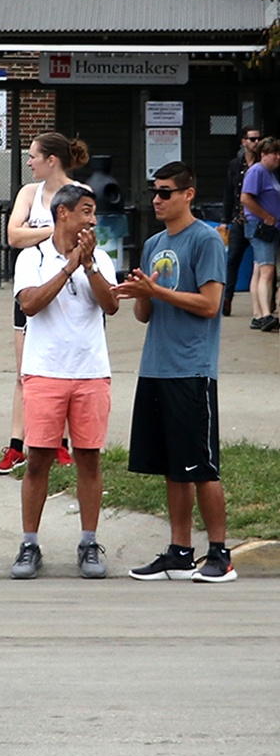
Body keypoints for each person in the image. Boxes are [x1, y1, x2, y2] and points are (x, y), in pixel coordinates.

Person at [117, 162, 236, 584]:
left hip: (192, 368)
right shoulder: (152, 243)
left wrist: (157, 291)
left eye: (166, 192)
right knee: (173, 466)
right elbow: (145, 313)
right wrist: (140, 294)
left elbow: (209, 305)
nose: (157, 200)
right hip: (156, 367)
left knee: (201, 466)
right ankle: (180, 550)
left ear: (188, 193)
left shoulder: (206, 240)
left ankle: (220, 554)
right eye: (155, 192)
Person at [8, 184, 119, 580]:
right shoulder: (31, 258)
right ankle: (29, 544)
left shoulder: (101, 258)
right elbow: (30, 304)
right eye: (86, 211)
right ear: (63, 214)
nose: (93, 219)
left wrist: (88, 265)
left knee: (88, 458)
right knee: (37, 459)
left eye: (94, 212)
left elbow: (111, 306)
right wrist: (69, 265)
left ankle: (89, 542)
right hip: (45, 371)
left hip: (90, 371)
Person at [0, 131, 89, 475]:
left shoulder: (82, 194)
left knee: (65, 371)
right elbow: (13, 235)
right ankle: (17, 445)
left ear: (52, 160)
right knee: (25, 373)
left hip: (68, 291)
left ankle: (61, 445)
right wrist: (55, 233)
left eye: (34, 156)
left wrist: (50, 237)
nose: (29, 162)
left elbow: (85, 238)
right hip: (31, 288)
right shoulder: (30, 193)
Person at [239, 136, 280, 332]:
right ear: (263, 154)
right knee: (267, 270)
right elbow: (245, 198)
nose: (278, 158)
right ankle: (265, 314)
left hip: (267, 226)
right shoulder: (257, 171)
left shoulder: (270, 173)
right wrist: (266, 216)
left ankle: (257, 313)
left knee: (258, 268)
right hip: (260, 226)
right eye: (275, 154)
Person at [221, 125, 262, 317]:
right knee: (233, 260)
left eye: (258, 139)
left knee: (264, 263)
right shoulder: (235, 164)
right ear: (244, 142)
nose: (256, 143)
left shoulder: (264, 163)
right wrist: (224, 219)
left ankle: (267, 304)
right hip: (239, 219)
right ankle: (227, 298)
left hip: (259, 220)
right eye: (252, 139)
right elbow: (229, 192)